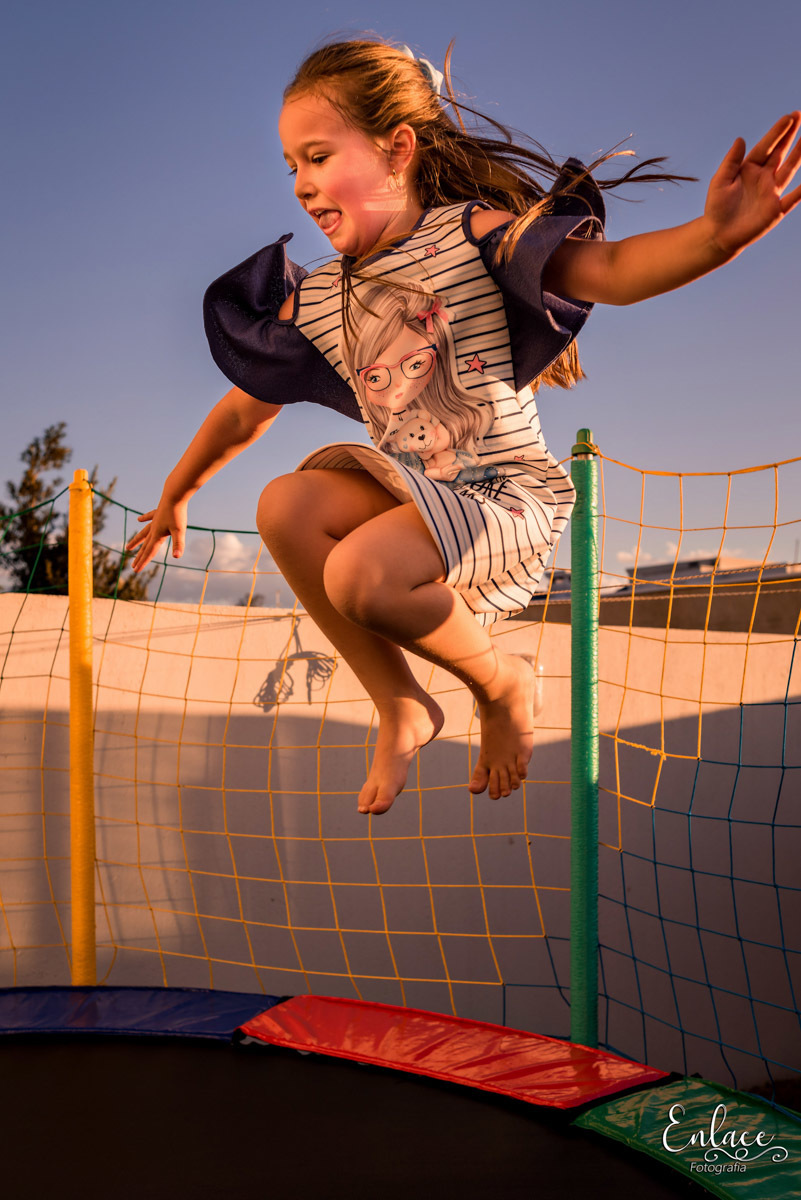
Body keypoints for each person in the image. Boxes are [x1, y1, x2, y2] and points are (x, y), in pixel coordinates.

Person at [127, 39, 800, 817]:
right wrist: (177, 490)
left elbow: (612, 272)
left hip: (506, 501)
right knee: (284, 505)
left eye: (318, 156)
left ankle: (500, 682)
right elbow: (244, 409)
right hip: (419, 495)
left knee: (358, 577)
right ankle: (400, 704)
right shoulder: (317, 298)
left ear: (397, 150)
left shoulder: (469, 234)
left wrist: (715, 235)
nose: (303, 184)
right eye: (291, 167)